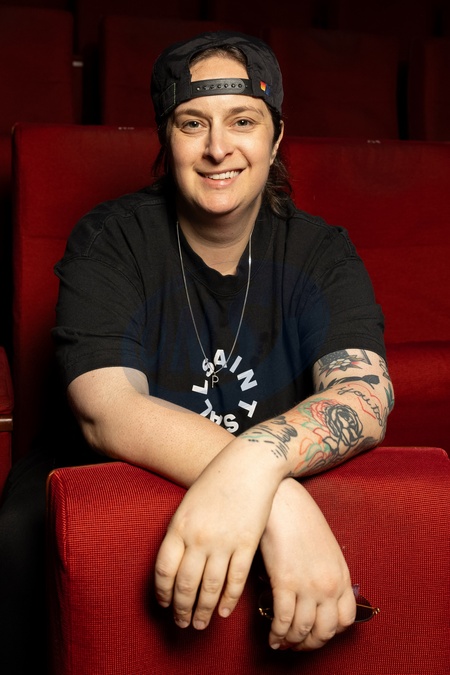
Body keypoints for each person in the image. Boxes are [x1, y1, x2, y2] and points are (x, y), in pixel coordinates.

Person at [0, 30, 393, 671]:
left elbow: (365, 396)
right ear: (166, 137)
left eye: (243, 121)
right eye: (192, 123)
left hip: (261, 475)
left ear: (276, 137)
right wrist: (279, 497)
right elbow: (107, 409)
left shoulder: (321, 252)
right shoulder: (111, 239)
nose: (217, 148)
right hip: (113, 493)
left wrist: (256, 468)